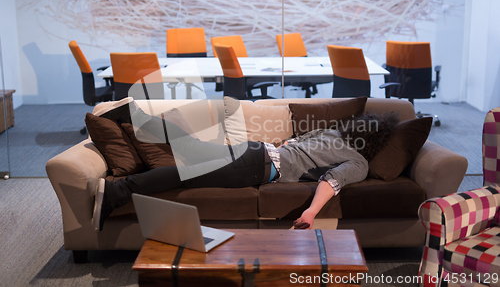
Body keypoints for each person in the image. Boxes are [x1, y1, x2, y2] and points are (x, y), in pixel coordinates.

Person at [92, 106, 399, 232]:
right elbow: (332, 182)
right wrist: (311, 212)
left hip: (258, 150)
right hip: (258, 168)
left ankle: (132, 114)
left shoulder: (334, 133)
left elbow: (295, 140)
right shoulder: (359, 162)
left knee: (187, 149)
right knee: (184, 173)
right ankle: (118, 191)